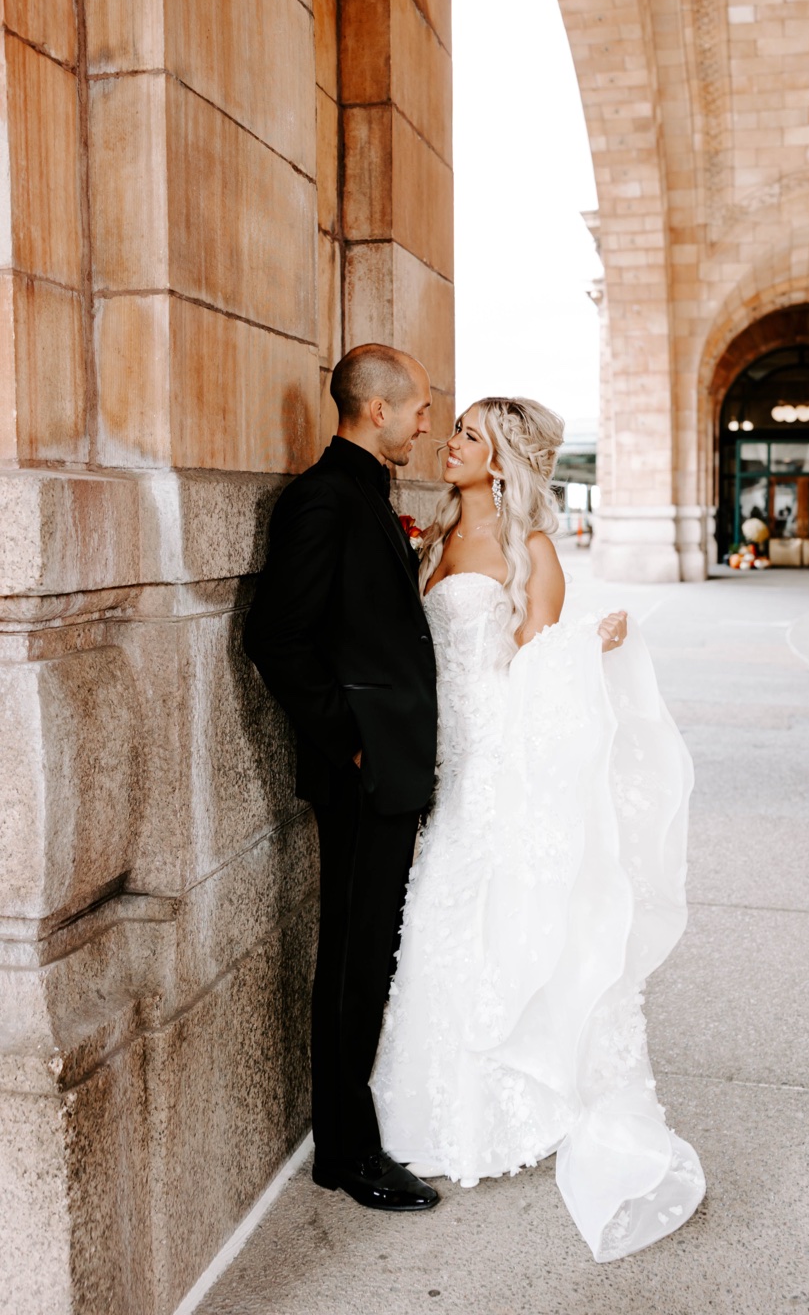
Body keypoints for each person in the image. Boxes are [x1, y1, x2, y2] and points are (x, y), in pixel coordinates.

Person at [368, 397, 705, 1262]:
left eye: (469, 436)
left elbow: (535, 663)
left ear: (504, 459)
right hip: (438, 752)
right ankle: (432, 1103)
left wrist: (595, 640)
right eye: (454, 431)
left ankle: (511, 1102)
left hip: (492, 758)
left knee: (485, 918)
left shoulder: (534, 550)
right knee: (439, 925)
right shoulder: (432, 540)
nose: (450, 443)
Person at [245, 343, 443, 1212]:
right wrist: (350, 742)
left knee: (371, 955)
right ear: (377, 411)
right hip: (361, 773)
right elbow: (276, 637)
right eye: (421, 407)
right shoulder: (322, 500)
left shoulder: (369, 493)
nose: (427, 421)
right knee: (354, 961)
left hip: (388, 768)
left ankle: (346, 1142)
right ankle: (347, 1153)